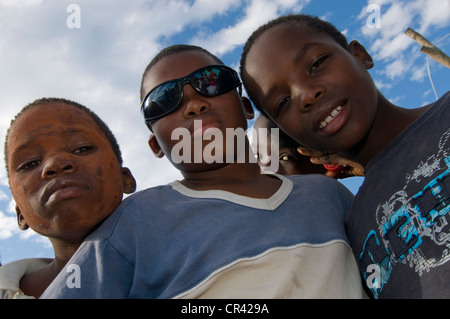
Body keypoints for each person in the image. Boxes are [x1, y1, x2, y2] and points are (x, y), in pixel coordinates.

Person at [41, 44, 364, 299]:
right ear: (156, 145)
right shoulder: (134, 224)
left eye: (211, 81)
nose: (194, 103)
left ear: (246, 106)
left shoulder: (328, 195)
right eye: (164, 100)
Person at [240, 14, 450, 298]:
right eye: (283, 103)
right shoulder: (352, 230)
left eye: (316, 64)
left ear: (359, 54)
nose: (306, 95)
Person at [0, 98, 136, 298]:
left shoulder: (188, 260)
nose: (55, 164)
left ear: (125, 179)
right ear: (21, 214)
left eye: (82, 149)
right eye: (30, 163)